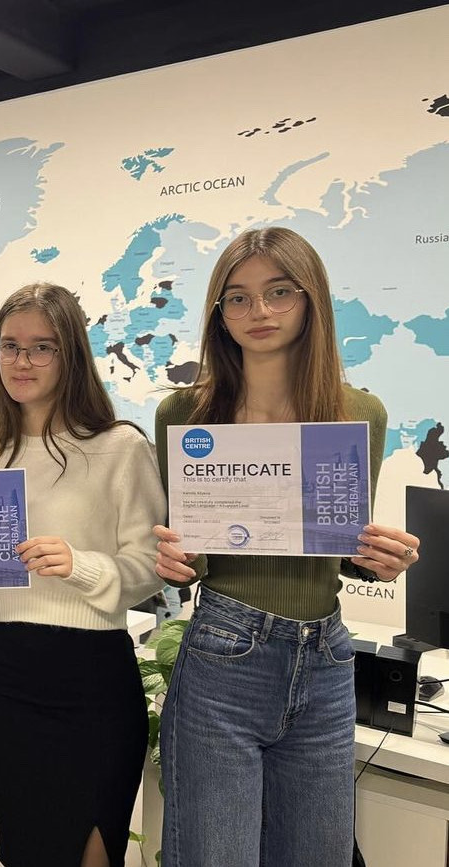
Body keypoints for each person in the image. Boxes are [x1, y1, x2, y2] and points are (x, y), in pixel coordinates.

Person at [152, 227, 421, 867]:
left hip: (326, 659)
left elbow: (342, 545)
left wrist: (382, 560)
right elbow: (191, 556)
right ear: (219, 312)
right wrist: (174, 562)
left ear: (311, 300)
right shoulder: (183, 415)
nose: (259, 311)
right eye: (238, 298)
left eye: (279, 292)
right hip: (223, 655)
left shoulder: (359, 412)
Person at [0, 283, 165, 867]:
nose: (21, 361)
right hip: (8, 677)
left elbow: (152, 568)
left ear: (71, 354)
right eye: (9, 345)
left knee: (92, 853)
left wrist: (80, 566)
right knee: (26, 853)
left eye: (41, 347)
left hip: (93, 678)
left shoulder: (120, 446)